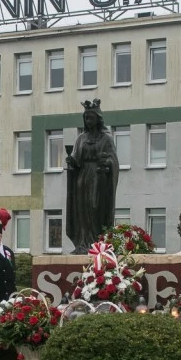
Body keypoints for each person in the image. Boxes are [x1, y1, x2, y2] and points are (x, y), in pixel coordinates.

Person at [66, 98, 119, 254]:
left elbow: (113, 160)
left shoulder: (106, 138)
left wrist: (107, 163)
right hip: (82, 179)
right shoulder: (80, 138)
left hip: (98, 179)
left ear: (98, 119)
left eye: (91, 118)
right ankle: (83, 242)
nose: (88, 121)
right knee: (82, 211)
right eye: (86, 118)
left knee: (96, 209)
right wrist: (72, 161)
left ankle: (97, 242)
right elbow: (76, 158)